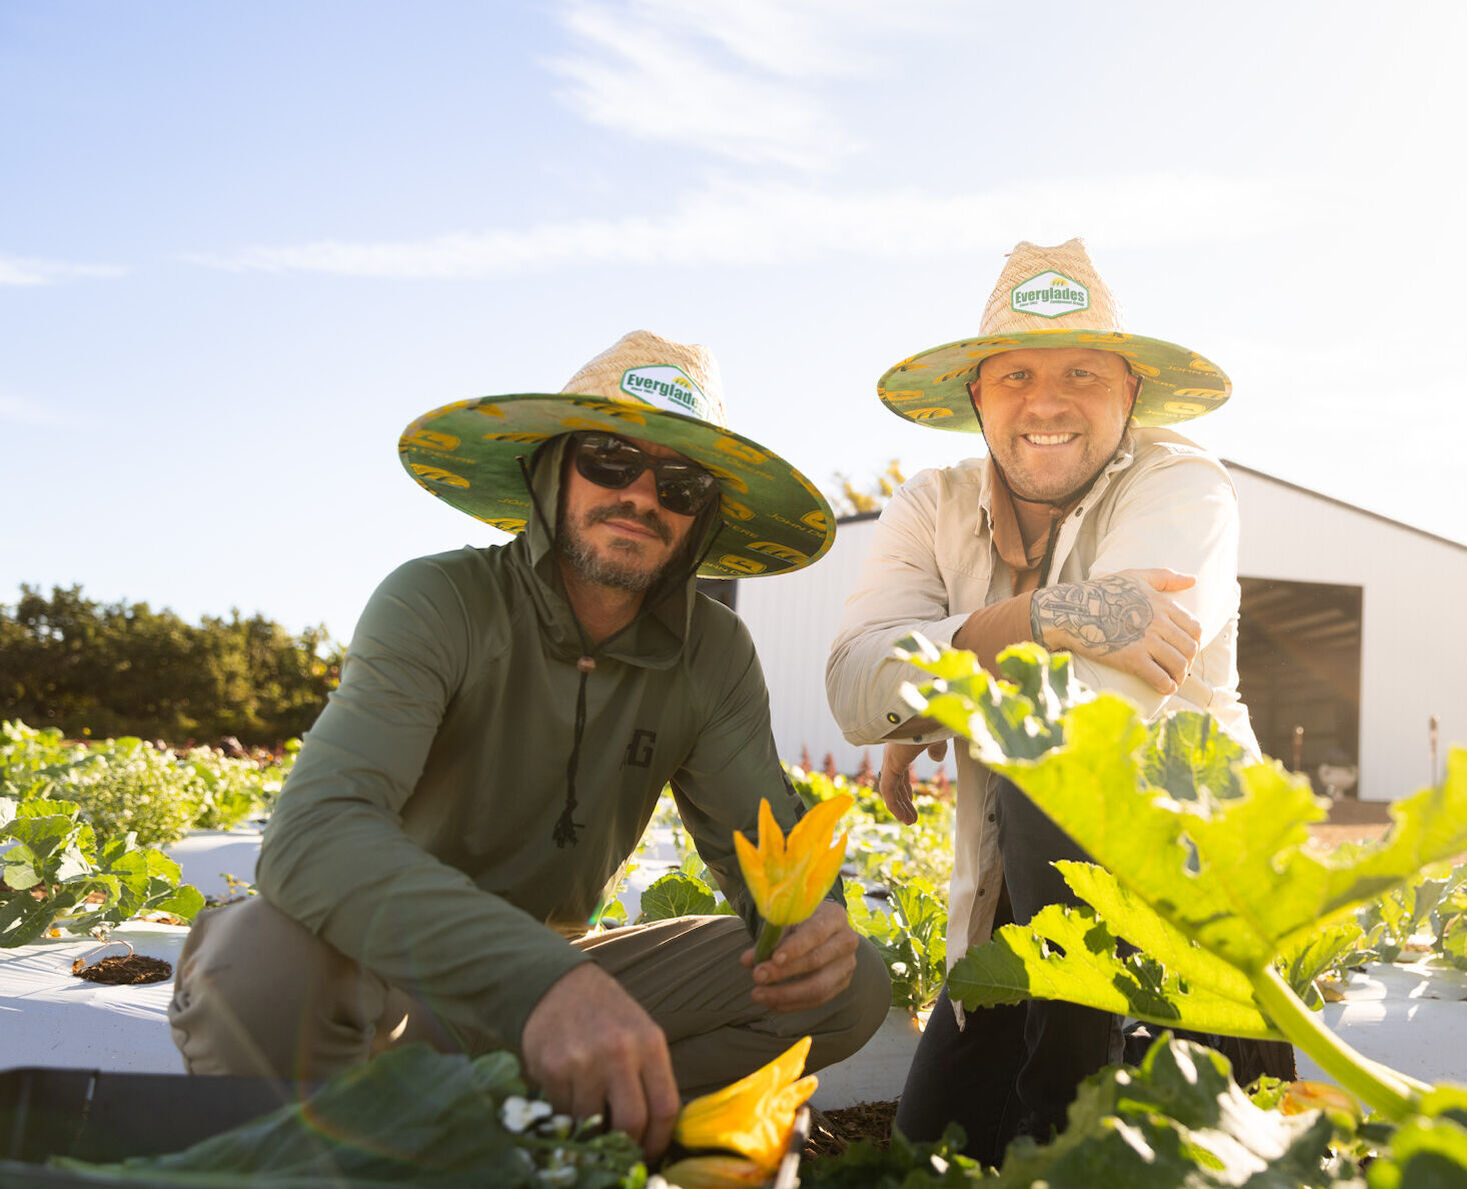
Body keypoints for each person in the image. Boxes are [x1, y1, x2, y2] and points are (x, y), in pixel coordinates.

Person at [171, 332, 890, 1160]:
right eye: (611, 459)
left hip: (564, 982)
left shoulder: (713, 653)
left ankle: (562, 1140)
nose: (643, 495)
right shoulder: (438, 599)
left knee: (842, 986)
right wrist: (541, 980)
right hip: (387, 980)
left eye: (681, 482)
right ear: (553, 469)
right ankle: (349, 1160)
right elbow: (313, 834)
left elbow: (772, 855)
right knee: (258, 961)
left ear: (702, 518)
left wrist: (813, 921)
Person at [825, 240, 1267, 1163]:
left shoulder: (1183, 488)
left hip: (1181, 935)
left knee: (1052, 749)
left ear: (1132, 394)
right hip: (1009, 928)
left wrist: (937, 687)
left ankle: (1072, 1125)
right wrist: (1042, 614)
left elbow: (1090, 709)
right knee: (923, 1152)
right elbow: (854, 688)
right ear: (977, 397)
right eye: (1016, 373)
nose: (1048, 400)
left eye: (1083, 372)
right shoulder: (927, 506)